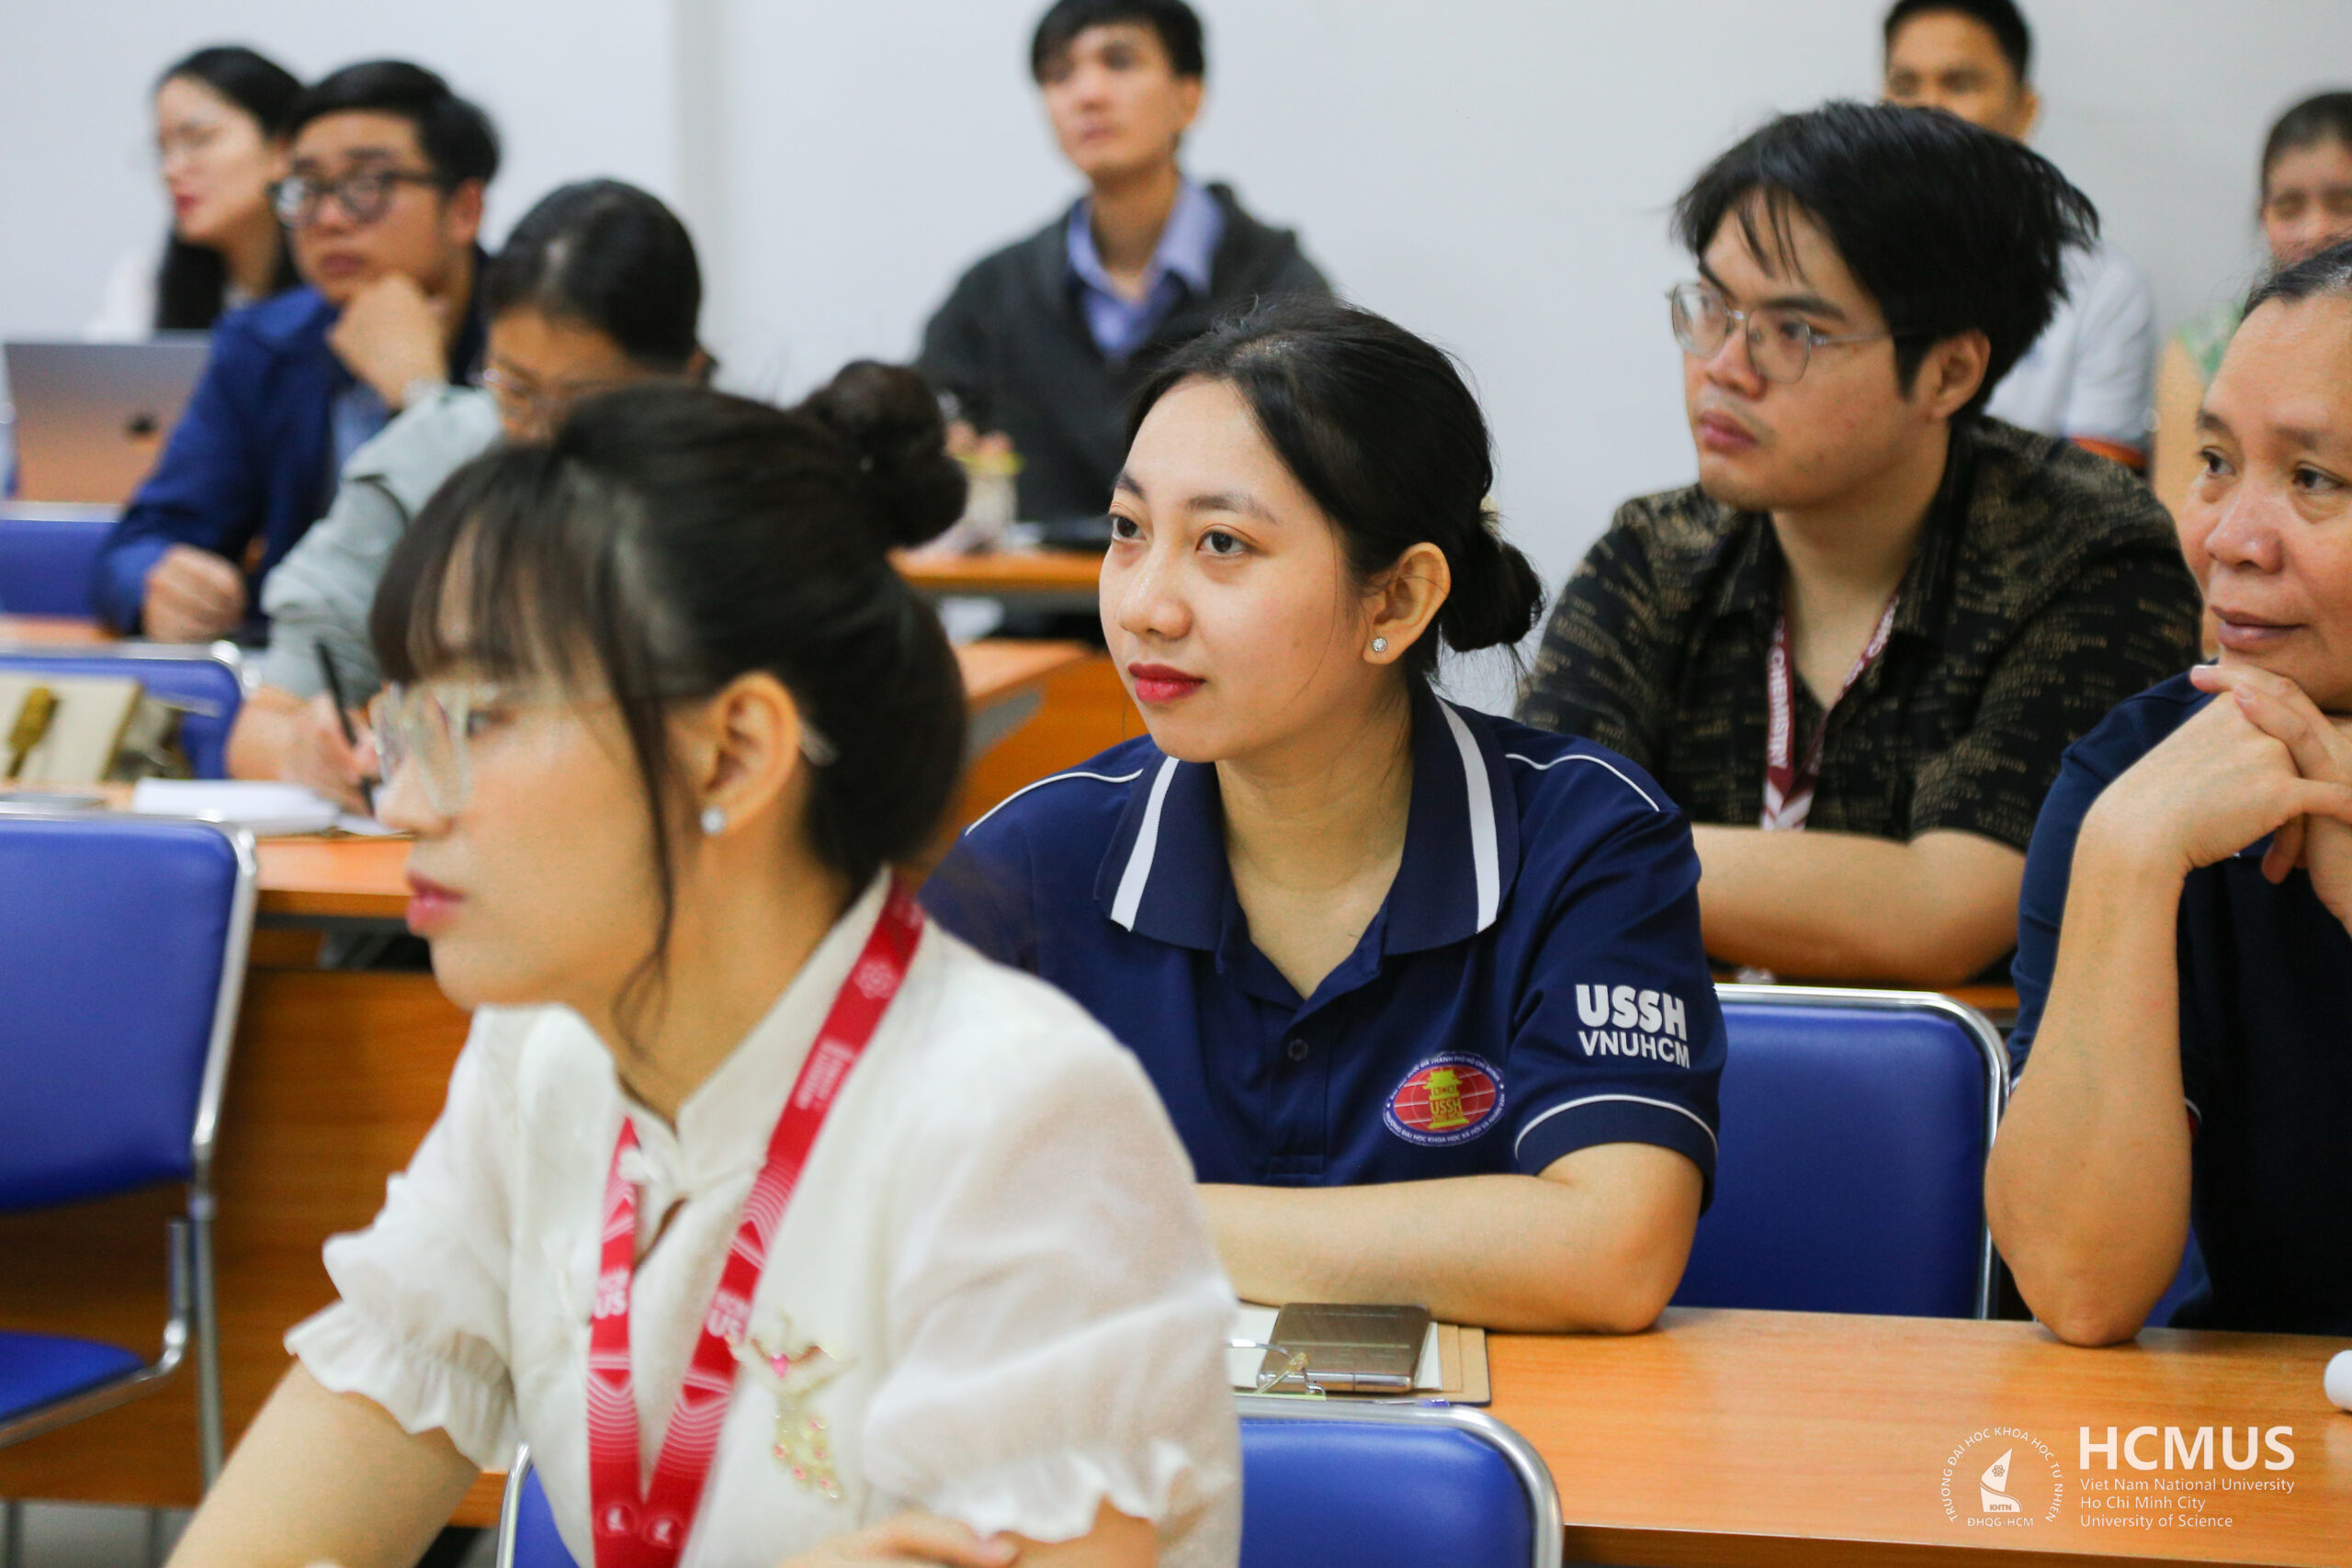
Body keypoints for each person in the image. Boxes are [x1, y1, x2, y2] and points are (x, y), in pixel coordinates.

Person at [165, 373, 1240, 1568]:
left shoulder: (1017, 1119)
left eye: (477, 720)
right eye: (403, 724)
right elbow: (299, 1493)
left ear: (732, 751)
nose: (403, 800)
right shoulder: (547, 1048)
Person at [926, 299, 1723, 1335]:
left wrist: (1122, 1216)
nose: (1144, 607)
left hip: (1503, 1435)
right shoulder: (1028, 860)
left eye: (1221, 543)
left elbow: (1612, 1251)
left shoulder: (1586, 836)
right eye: (1128, 531)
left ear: (1396, 600)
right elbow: (887, 1205)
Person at [1516, 103, 2203, 988]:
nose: (1725, 365)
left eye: (1794, 331)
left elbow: (1949, 910)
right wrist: (1568, 849)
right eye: (1714, 307)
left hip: (1973, 1071)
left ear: (1949, 372)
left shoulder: (2091, 556)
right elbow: (1527, 836)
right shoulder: (1652, 556)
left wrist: (1597, 856)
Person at [1986, 241, 2352, 1343]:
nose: (2228, 540)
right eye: (2214, 461)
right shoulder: (2143, 771)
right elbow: (2076, 1286)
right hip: (2264, 1425)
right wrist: (2128, 854)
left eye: (2313, 480)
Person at [226, 179, 710, 808]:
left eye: (584, 403)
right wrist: (306, 748)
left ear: (687, 377)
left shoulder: (736, 505)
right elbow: (261, 728)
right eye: (514, 390)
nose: (540, 435)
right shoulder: (431, 460)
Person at [91, 60, 497, 642]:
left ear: (463, 210)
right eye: (305, 189)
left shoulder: (534, 335)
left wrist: (421, 395)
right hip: (300, 678)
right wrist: (160, 584)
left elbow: (534, 560)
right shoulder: (263, 342)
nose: (328, 218)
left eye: (366, 186)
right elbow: (142, 542)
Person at [916, 0, 1329, 535]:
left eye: (1119, 61)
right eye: (1059, 74)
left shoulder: (1279, 289)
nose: (1087, 94)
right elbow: (921, 443)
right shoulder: (990, 296)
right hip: (1035, 589)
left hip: (1208, 587)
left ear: (1189, 96)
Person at [1881, 0, 2158, 468]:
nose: (1927, 109)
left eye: (1959, 83)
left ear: (2024, 110)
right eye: (1905, 86)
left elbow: (2094, 495)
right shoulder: (1834, 261)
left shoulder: (2103, 289)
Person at [2152, 92, 2352, 514]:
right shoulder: (2203, 351)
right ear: (2263, 216)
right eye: (2289, 208)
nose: (2315, 231)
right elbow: (2178, 520)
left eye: (2343, 204)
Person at [86, 45, 303, 341]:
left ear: (282, 149)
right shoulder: (144, 286)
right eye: (163, 149)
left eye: (200, 139)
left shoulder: (338, 279)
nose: (170, 170)